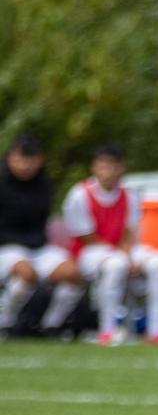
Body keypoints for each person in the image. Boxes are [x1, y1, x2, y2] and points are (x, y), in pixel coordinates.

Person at [62, 143, 158, 345]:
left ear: (121, 167)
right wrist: (123, 257)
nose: (108, 171)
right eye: (103, 165)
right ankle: (107, 330)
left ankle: (156, 330)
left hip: (120, 249)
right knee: (116, 265)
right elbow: (87, 237)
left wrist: (128, 254)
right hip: (90, 253)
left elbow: (128, 232)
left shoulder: (129, 195)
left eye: (113, 166)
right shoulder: (80, 195)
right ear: (94, 167)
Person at [0, 132, 85, 338]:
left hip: (38, 247)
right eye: (20, 159)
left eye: (30, 160)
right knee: (26, 273)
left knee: (73, 274)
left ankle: (51, 325)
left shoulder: (44, 185)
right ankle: (5, 321)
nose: (24, 165)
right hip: (7, 247)